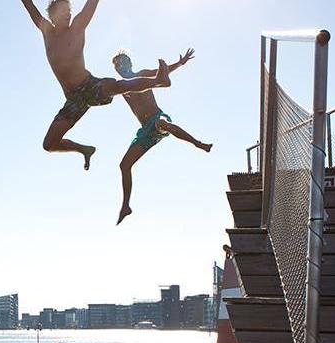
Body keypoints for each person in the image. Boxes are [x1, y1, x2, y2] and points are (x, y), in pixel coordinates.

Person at [21, 0, 171, 171]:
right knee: (49, 144)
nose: (69, 14)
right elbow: (30, 7)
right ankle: (84, 149)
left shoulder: (77, 26)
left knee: (118, 86)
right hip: (74, 100)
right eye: (64, 12)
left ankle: (159, 81)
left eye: (69, 11)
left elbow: (92, 3)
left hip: (89, 85)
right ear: (53, 16)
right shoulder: (47, 30)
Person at [112, 50, 210, 225]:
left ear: (131, 64)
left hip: (157, 118)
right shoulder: (120, 87)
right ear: (117, 70)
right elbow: (103, 91)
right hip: (144, 131)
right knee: (124, 165)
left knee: (163, 124)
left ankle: (198, 143)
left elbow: (161, 74)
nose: (122, 67)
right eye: (119, 65)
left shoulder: (141, 75)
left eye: (125, 62)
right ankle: (126, 206)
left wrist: (179, 64)